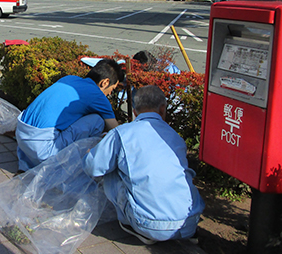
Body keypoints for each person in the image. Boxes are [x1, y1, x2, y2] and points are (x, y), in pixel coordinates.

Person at [83, 85, 205, 244]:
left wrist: (90, 153)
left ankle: (136, 226)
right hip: (190, 221)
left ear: (134, 111)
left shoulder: (123, 133)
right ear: (162, 109)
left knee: (111, 169)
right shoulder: (175, 137)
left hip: (149, 224)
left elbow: (93, 167)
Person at [16, 58, 124, 171]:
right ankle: (76, 168)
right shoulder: (99, 96)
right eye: (113, 89)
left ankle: (28, 165)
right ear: (105, 82)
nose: (110, 93)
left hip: (22, 139)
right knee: (97, 120)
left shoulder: (69, 79)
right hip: (43, 151)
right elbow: (116, 131)